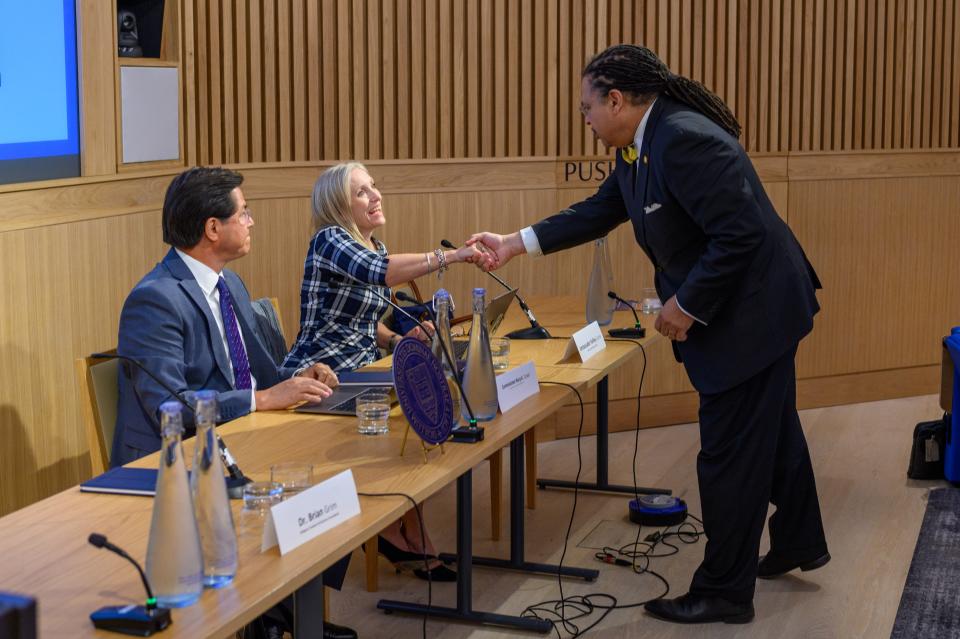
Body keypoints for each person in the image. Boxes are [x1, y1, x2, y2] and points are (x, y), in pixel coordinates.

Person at [468, 44, 829, 625]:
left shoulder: (684, 138)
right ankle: (800, 540)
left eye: (587, 108)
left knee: (727, 457)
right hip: (754, 307)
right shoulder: (640, 145)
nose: (584, 121)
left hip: (750, 315)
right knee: (773, 430)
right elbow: (599, 211)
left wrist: (686, 305)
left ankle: (725, 592)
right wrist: (514, 243)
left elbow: (742, 235)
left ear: (616, 100)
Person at [113, 167, 356, 639]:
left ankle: (282, 612)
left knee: (334, 468)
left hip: (235, 440)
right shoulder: (155, 300)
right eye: (244, 212)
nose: (251, 221)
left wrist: (298, 378)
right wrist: (264, 398)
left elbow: (262, 375)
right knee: (296, 481)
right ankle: (271, 615)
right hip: (175, 462)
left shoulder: (230, 285)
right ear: (212, 228)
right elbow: (171, 407)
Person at [284, 162, 483, 581]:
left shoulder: (372, 245)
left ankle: (406, 523)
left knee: (423, 408)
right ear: (339, 205)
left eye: (374, 187)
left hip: (362, 368)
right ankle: (395, 527)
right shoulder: (329, 240)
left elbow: (366, 318)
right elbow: (381, 273)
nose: (375, 195)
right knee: (407, 421)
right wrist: (453, 256)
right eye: (361, 192)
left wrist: (397, 341)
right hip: (322, 373)